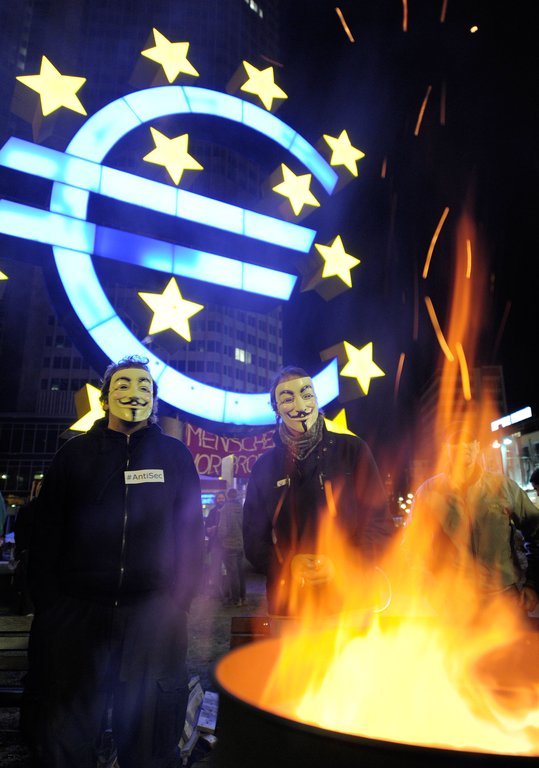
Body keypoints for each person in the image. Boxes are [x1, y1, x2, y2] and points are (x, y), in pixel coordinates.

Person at [25, 355, 204, 768]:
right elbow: (47, 532)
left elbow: (192, 534)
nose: (134, 393)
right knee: (68, 731)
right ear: (105, 399)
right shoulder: (74, 454)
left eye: (144, 386)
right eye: (123, 385)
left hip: (152, 615)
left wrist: (178, 602)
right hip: (78, 612)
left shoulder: (175, 455)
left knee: (148, 734)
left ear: (154, 400)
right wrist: (51, 606)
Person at [242, 366, 395, 617]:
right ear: (276, 408)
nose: (299, 404)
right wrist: (288, 564)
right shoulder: (264, 467)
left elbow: (380, 524)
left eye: (306, 394)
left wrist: (343, 562)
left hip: (349, 602)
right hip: (290, 605)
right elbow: (253, 540)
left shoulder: (352, 451)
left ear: (316, 398)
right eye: (288, 398)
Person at [410, 420, 539, 615]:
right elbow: (414, 546)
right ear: (446, 449)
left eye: (470, 440)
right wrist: (429, 586)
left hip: (504, 599)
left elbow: (536, 531)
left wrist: (533, 583)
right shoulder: (428, 493)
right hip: (453, 603)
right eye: (456, 441)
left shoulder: (503, 487)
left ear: (478, 446)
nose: (464, 446)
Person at [218, 488, 246, 607]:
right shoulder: (241, 508)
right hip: (240, 544)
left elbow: (222, 529)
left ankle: (235, 599)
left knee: (232, 573)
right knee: (240, 572)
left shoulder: (225, 509)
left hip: (229, 545)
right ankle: (243, 597)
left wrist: (220, 538)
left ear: (228, 496)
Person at [204, 491, 226, 597]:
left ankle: (226, 591)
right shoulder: (212, 512)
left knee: (226, 570)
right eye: (218, 498)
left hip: (226, 545)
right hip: (215, 544)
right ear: (216, 500)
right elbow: (206, 528)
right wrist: (210, 529)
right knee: (215, 568)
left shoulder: (227, 512)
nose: (220, 500)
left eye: (222, 498)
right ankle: (217, 592)